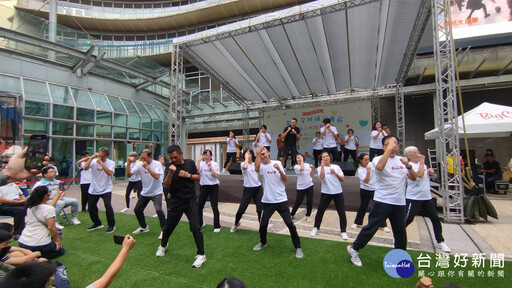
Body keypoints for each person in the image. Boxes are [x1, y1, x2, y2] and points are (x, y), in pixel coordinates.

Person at [347, 135, 417, 267]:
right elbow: (379, 167)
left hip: (399, 202)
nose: (394, 146)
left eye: (396, 143)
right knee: (371, 227)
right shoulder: (378, 159)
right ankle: (354, 248)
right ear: (383, 146)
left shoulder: (402, 161)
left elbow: (413, 178)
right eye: (390, 144)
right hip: (382, 201)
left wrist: (408, 165)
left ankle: (400, 258)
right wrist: (387, 151)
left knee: (400, 232)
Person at [156, 145, 206, 268]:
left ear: (181, 154)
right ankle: (163, 245)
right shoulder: (169, 167)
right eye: (171, 158)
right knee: (168, 227)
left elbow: (198, 177)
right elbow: (165, 185)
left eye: (175, 157)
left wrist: (188, 175)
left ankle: (201, 254)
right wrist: (171, 174)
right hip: (175, 201)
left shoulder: (190, 163)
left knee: (195, 227)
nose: (173, 160)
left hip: (190, 200)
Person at [253, 146, 303, 258]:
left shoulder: (277, 163)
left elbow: (285, 180)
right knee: (263, 224)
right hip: (268, 201)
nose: (263, 156)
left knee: (290, 223)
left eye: (264, 153)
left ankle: (298, 246)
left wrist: (280, 170)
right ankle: (263, 242)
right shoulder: (261, 166)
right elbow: (256, 169)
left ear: (269, 153)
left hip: (281, 200)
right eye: (261, 155)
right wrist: (257, 154)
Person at [403, 146, 451, 253]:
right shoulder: (409, 166)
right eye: (415, 152)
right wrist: (422, 162)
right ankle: (399, 236)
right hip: (413, 197)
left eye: (418, 151)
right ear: (409, 155)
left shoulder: (422, 165)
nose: (418, 154)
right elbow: (418, 175)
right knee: (408, 219)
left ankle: (440, 241)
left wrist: (429, 173)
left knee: (435, 219)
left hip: (426, 197)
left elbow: (424, 178)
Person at [18, 186, 65, 259]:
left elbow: (48, 207)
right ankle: (37, 255)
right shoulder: (48, 209)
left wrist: (58, 194)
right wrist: (57, 241)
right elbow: (51, 227)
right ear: (46, 196)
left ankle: (30, 254)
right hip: (39, 244)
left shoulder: (30, 207)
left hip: (23, 242)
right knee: (61, 250)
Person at [127, 149, 165, 239]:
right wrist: (128, 164)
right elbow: (129, 175)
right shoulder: (140, 164)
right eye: (141, 158)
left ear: (150, 157)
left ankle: (164, 230)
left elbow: (157, 176)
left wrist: (147, 167)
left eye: (144, 158)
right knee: (137, 210)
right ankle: (144, 227)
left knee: (159, 210)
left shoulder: (157, 164)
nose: (142, 160)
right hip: (145, 192)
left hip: (156, 191)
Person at [310, 152, 348, 240]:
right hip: (326, 192)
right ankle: (316, 228)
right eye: (324, 157)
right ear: (321, 159)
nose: (326, 158)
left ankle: (343, 231)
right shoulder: (320, 168)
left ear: (330, 157)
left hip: (338, 192)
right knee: (320, 211)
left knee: (341, 212)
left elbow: (342, 179)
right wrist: (323, 166)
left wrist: (335, 173)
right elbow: (322, 177)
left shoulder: (336, 167)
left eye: (327, 156)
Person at [351, 153, 390, 233]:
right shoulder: (360, 170)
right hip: (365, 189)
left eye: (368, 159)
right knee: (363, 206)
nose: (367, 161)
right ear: (361, 160)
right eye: (365, 160)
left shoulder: (372, 164)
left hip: (375, 189)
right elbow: (366, 181)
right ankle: (357, 222)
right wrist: (368, 172)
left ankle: (383, 225)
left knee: (378, 207)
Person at [83, 147, 116, 233]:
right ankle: (97, 223)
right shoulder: (93, 161)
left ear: (107, 156)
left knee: (108, 206)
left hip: (106, 188)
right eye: (99, 155)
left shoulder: (111, 163)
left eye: (103, 156)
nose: (100, 158)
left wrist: (102, 163)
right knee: (91, 207)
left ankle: (111, 225)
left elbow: (109, 173)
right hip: (94, 188)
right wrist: (92, 157)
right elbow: (85, 168)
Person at [231, 148, 262, 232]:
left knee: (260, 209)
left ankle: (261, 227)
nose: (249, 155)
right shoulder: (242, 164)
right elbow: (245, 167)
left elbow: (259, 170)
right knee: (241, 209)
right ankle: (236, 223)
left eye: (250, 154)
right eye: (247, 154)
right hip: (248, 189)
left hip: (258, 188)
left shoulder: (255, 164)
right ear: (244, 155)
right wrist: (246, 159)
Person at [196, 149, 221, 232]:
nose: (206, 157)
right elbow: (197, 171)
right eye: (204, 155)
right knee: (199, 206)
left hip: (213, 186)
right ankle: (200, 222)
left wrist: (210, 167)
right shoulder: (202, 164)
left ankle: (217, 226)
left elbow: (216, 176)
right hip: (204, 186)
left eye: (207, 155)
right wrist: (198, 161)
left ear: (211, 156)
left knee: (214, 207)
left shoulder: (215, 164)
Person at [290, 153, 314, 222]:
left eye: (300, 157)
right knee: (298, 202)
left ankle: (308, 215)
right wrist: (302, 161)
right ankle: (292, 214)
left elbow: (312, 175)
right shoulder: (296, 167)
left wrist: (312, 168)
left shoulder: (307, 165)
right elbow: (302, 169)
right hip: (301, 187)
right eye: (298, 158)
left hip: (309, 185)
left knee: (310, 201)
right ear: (295, 160)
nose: (299, 159)